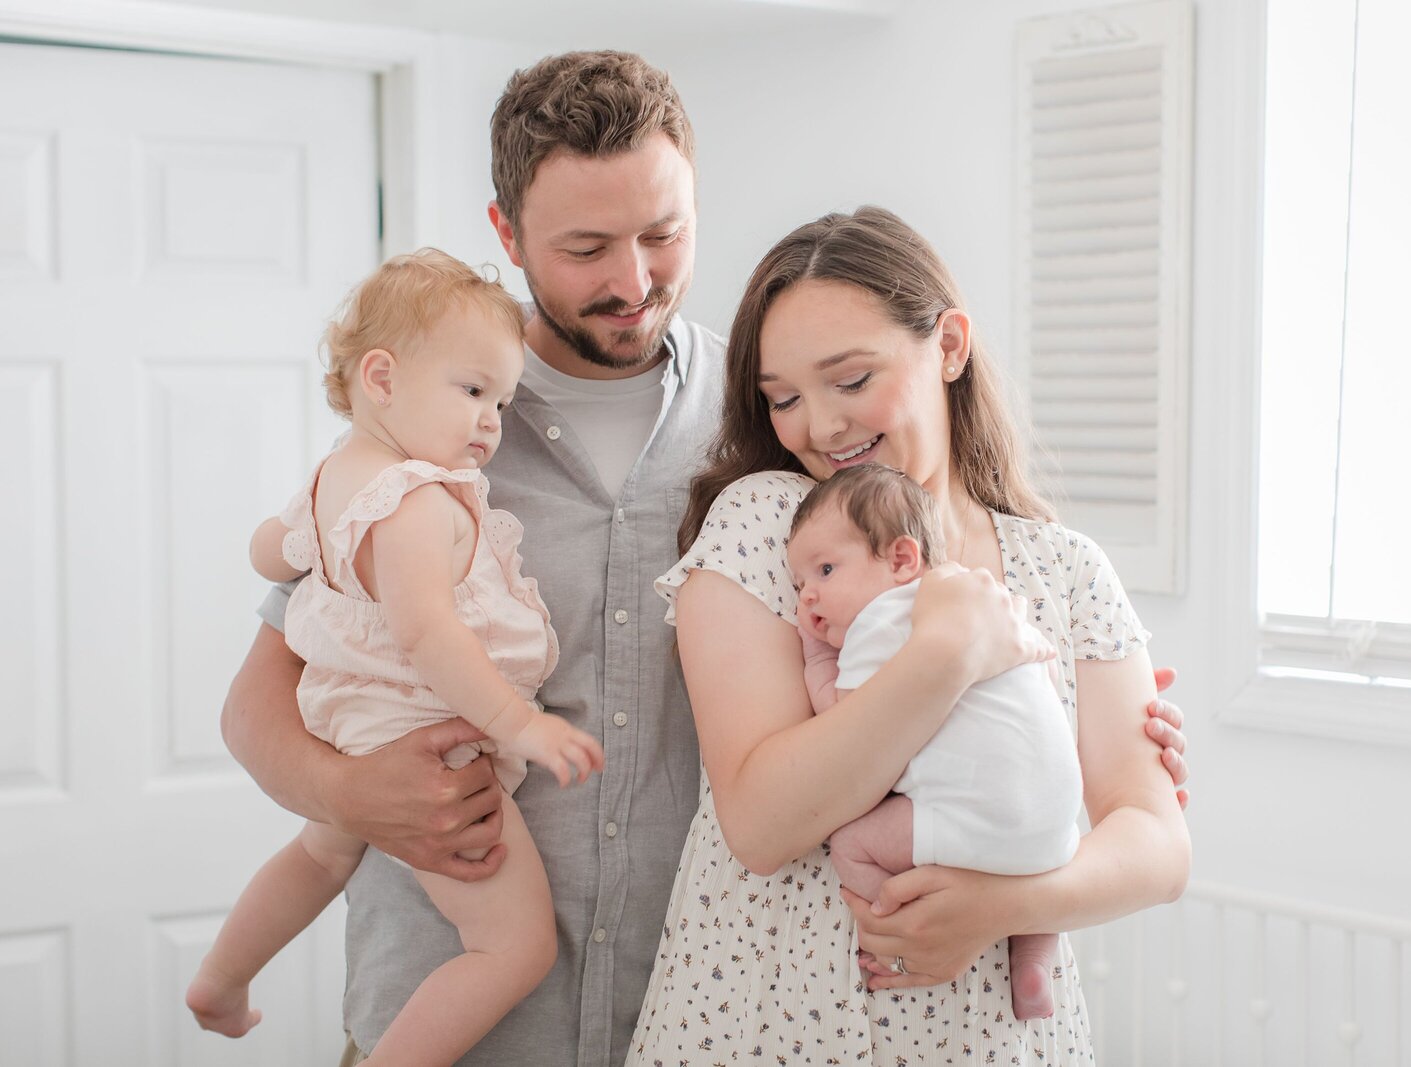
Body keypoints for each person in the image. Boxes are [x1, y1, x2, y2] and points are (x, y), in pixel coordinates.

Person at [217, 52, 1191, 1067]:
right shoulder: (435, 427)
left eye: (662, 233)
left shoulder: (766, 436)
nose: (632, 281)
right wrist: (347, 793)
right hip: (454, 1002)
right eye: (587, 246)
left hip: (684, 998)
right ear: (506, 234)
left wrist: (1059, 736)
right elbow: (256, 708)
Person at [630, 205, 1191, 1064]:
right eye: (782, 398)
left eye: (851, 381)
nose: (819, 427)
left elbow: (1156, 844)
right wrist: (946, 651)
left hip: (992, 1041)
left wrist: (996, 907)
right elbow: (764, 819)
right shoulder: (772, 530)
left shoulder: (1064, 569)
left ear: (951, 347)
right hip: (764, 1027)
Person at [187, 249, 603, 1064]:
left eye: (504, 400)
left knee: (320, 850)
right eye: (474, 390)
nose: (493, 420)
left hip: (351, 721)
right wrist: (522, 726)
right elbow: (427, 633)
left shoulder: (331, 479)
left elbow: (268, 552)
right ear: (381, 377)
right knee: (515, 948)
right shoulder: (413, 500)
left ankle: (220, 979)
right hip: (427, 738)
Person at [785, 461, 1079, 1022]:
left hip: (977, 821)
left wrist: (820, 662)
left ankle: (888, 925)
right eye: (800, 584)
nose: (808, 597)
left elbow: (847, 726)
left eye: (825, 570)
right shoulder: (986, 603)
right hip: (1056, 832)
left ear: (900, 560)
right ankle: (1035, 961)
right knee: (1032, 868)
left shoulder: (885, 620)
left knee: (852, 841)